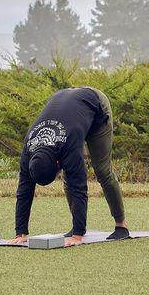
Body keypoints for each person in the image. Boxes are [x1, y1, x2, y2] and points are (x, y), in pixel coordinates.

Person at [8, 87, 128, 247]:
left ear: (58, 163)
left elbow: (79, 187)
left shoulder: (69, 144)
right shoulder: (29, 149)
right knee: (69, 175)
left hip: (96, 105)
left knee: (102, 170)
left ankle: (121, 225)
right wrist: (20, 233)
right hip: (70, 110)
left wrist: (77, 237)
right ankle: (77, 226)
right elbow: (24, 191)